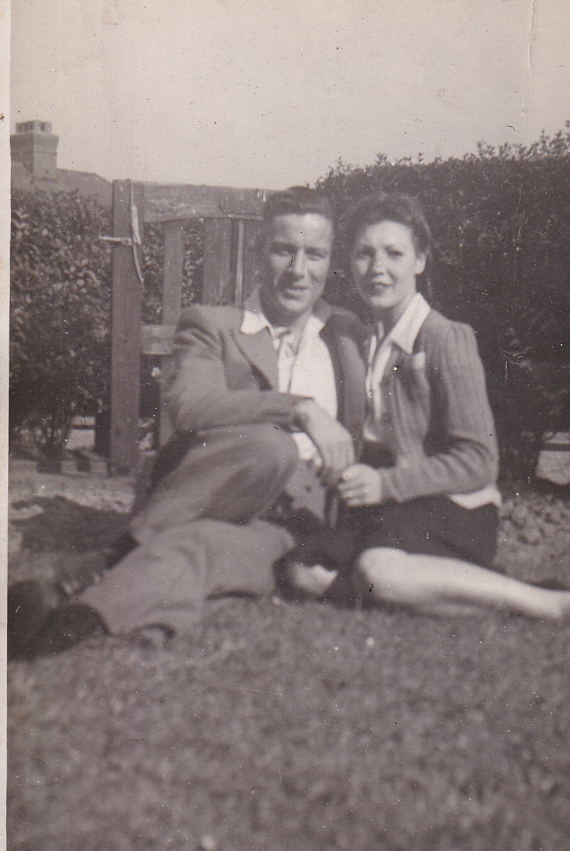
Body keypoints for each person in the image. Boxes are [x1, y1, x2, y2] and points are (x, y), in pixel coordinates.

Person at [9, 187, 366, 659]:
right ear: (258, 253)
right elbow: (192, 406)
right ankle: (123, 558)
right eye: (284, 250)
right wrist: (300, 409)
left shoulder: (346, 333)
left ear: (329, 261)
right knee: (272, 444)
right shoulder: (214, 325)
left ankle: (73, 620)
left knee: (194, 549)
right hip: (219, 494)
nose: (299, 270)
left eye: (314, 254)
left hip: (291, 526)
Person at [282, 191, 570, 636]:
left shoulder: (446, 338)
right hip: (390, 508)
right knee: (303, 573)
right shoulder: (363, 341)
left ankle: (556, 603)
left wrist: (385, 484)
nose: (377, 268)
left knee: (377, 575)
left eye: (394, 253)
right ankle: (440, 589)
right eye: (364, 254)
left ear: (420, 260)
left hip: (451, 507)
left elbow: (479, 461)